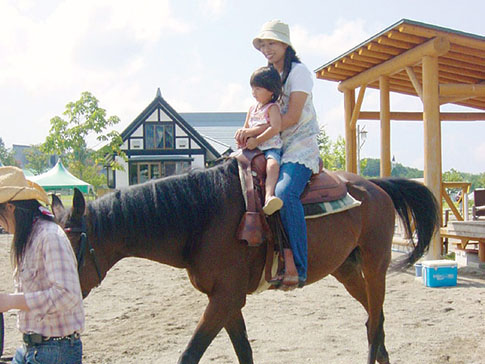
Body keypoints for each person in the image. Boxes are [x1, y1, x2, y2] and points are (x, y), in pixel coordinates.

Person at [253, 20, 320, 289]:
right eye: (263, 44)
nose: (267, 49)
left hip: (299, 144)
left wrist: (258, 134)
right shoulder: (268, 74)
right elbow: (263, 111)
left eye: (272, 43)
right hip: (273, 141)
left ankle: (300, 267)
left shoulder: (299, 73)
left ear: (285, 45)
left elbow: (291, 116)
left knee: (284, 193)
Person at [0, 166, 84, 364]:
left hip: (56, 351)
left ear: (11, 208)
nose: (1, 225)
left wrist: (12, 301)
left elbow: (67, 295)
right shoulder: (28, 239)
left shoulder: (49, 237)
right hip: (32, 348)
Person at [235, 66, 284, 215]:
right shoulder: (252, 109)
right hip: (252, 149)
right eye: (252, 88)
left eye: (258, 89)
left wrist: (258, 140)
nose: (253, 93)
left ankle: (269, 196)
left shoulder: (272, 108)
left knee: (272, 165)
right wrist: (242, 137)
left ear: (271, 91)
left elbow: (275, 127)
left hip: (270, 147)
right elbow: (246, 127)